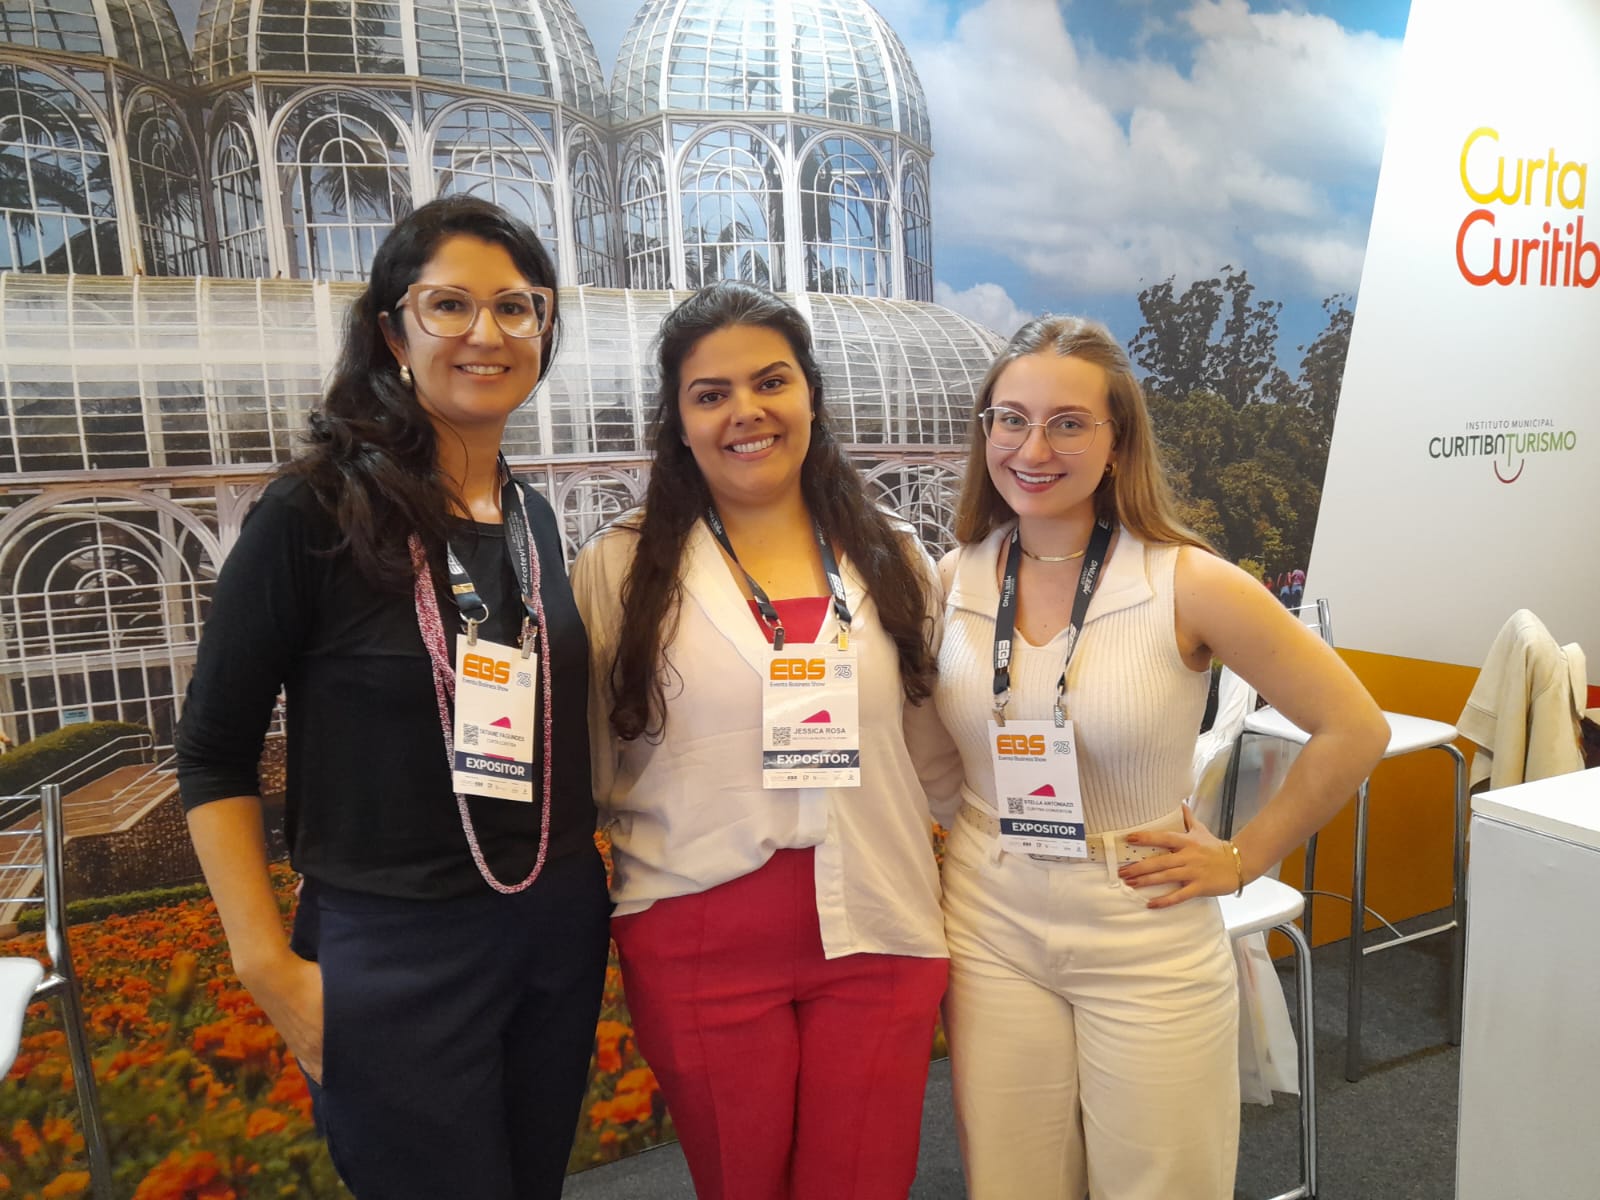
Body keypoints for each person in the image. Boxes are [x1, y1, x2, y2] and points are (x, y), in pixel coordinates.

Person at [175, 196, 610, 1199]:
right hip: (396, 946)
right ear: (391, 330)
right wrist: (267, 969)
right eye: (448, 305)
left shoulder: (533, 515)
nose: (486, 334)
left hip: (550, 926)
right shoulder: (312, 511)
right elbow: (213, 752)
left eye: (516, 307)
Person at [930, 316, 1388, 1200]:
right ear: (985, 428)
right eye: (1010, 418)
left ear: (1117, 442)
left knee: (1161, 1183)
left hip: (1139, 916)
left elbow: (1353, 728)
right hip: (989, 916)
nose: (1034, 445)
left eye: (1069, 422)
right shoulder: (955, 578)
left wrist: (1246, 856)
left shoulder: (1187, 581)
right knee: (1013, 1181)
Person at [572, 281, 950, 1200]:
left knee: (859, 1184)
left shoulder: (893, 554)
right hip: (697, 935)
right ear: (680, 420)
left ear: (809, 394)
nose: (746, 412)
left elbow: (937, 759)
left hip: (880, 927)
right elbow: (586, 763)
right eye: (711, 394)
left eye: (770, 381)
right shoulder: (617, 568)